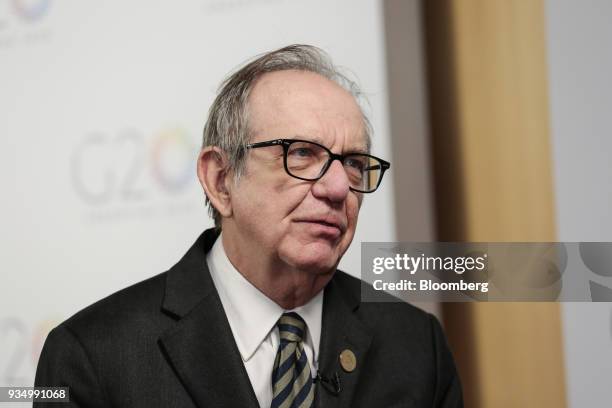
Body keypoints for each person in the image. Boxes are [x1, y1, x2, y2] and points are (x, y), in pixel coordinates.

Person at [34, 44, 462, 407]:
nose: (337, 188)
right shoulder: (91, 354)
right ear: (221, 180)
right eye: (301, 154)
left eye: (353, 164)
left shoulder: (417, 345)